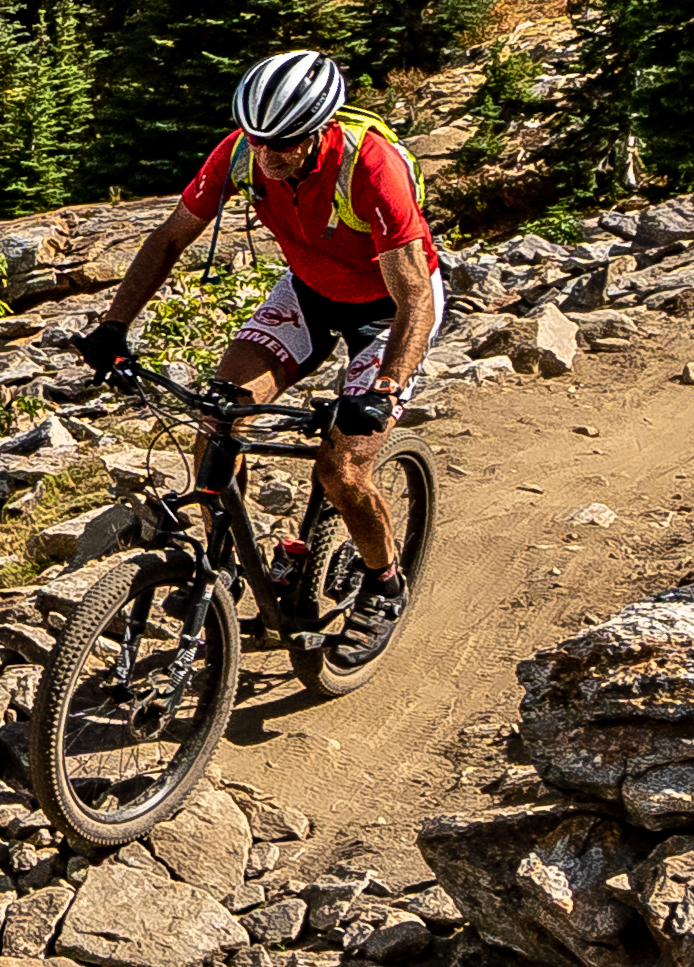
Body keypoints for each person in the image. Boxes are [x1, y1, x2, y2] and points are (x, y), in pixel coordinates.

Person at [76, 48, 439, 647]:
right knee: (218, 414)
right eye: (259, 139)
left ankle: (385, 581)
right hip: (309, 290)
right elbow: (169, 239)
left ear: (320, 128)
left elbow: (416, 300)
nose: (268, 156)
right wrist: (114, 328)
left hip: (390, 309)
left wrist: (386, 388)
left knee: (342, 468)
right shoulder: (242, 151)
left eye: (286, 142)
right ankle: (224, 567)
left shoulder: (370, 167)